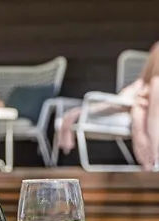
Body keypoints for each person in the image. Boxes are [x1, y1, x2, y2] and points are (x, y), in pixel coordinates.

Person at [58, 42, 159, 171]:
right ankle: (77, 113)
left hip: (141, 100)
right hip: (137, 98)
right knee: (120, 106)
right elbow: (142, 95)